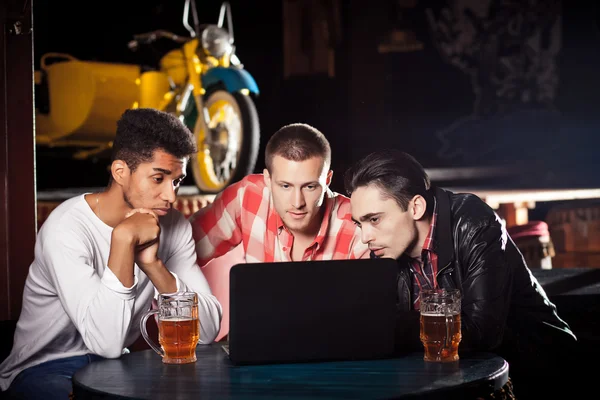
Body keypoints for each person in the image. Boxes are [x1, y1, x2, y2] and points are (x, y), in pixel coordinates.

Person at [0, 108, 222, 399]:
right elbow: (105, 341)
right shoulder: (66, 228)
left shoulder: (174, 225)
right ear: (120, 172)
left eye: (177, 181)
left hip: (114, 366)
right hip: (43, 368)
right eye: (158, 178)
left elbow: (207, 331)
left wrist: (153, 265)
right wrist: (123, 240)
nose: (171, 195)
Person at [345, 149, 578, 399]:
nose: (365, 237)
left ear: (416, 207)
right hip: (454, 379)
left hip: (538, 370)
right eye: (360, 223)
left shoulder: (473, 222)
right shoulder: (384, 248)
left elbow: (482, 332)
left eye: (375, 220)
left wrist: (389, 327)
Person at [190, 123, 368, 266]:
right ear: (267, 179)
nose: (297, 202)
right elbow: (180, 249)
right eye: (285, 186)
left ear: (327, 180)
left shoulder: (357, 226)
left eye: (310, 187)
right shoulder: (248, 196)